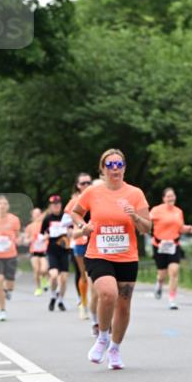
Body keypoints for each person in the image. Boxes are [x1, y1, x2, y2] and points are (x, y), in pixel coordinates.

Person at [70, 150, 152, 369]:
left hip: (126, 256)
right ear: (102, 169)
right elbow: (76, 213)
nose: (115, 168)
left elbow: (147, 227)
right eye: (110, 164)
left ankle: (115, 349)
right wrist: (82, 227)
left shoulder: (135, 194)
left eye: (119, 164)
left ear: (124, 167)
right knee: (108, 293)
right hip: (98, 253)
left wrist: (134, 217)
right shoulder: (92, 192)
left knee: (124, 306)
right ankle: (103, 336)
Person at [149, 187, 192, 309]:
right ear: (164, 198)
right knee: (161, 274)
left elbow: (180, 228)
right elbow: (147, 222)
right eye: (168, 196)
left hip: (173, 245)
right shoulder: (156, 210)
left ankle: (172, 299)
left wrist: (189, 228)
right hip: (159, 245)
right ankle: (159, 284)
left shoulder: (178, 211)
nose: (171, 198)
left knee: (174, 271)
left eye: (173, 196)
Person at [65, 172, 93, 320]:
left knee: (94, 276)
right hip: (80, 243)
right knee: (84, 275)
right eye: (83, 183)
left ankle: (96, 305)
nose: (86, 186)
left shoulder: (98, 196)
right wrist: (75, 230)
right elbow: (65, 223)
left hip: (96, 242)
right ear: (77, 185)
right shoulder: (74, 201)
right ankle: (83, 304)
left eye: (89, 182)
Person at [41, 195, 71, 311]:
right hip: (52, 250)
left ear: (61, 205)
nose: (56, 206)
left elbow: (73, 229)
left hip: (65, 250)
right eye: (54, 204)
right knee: (53, 275)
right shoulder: (47, 218)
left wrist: (70, 232)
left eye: (58, 204)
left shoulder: (66, 217)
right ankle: (53, 295)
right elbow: (41, 234)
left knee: (63, 279)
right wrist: (45, 236)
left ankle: (60, 300)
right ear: (51, 206)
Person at [25, 208, 48, 295]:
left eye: (39, 213)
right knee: (36, 270)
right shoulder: (29, 227)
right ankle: (38, 288)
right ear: (32, 215)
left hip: (44, 250)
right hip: (34, 251)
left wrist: (45, 237)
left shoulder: (45, 225)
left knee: (44, 269)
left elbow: (50, 234)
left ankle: (44, 279)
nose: (37, 215)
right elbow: (25, 240)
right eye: (35, 214)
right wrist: (30, 239)